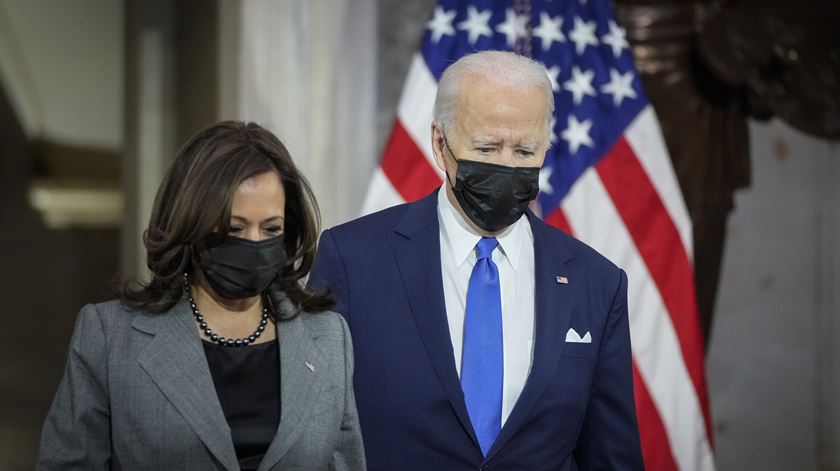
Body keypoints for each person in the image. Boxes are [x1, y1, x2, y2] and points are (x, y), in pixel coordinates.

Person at [309, 51, 644, 470]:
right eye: (486, 147)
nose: (506, 165)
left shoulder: (596, 282)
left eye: (525, 151)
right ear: (439, 143)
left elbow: (612, 455)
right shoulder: (353, 259)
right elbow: (313, 438)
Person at [39, 121, 365, 470]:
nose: (254, 242)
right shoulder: (108, 336)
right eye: (234, 228)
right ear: (191, 224)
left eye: (270, 228)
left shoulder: (329, 338)